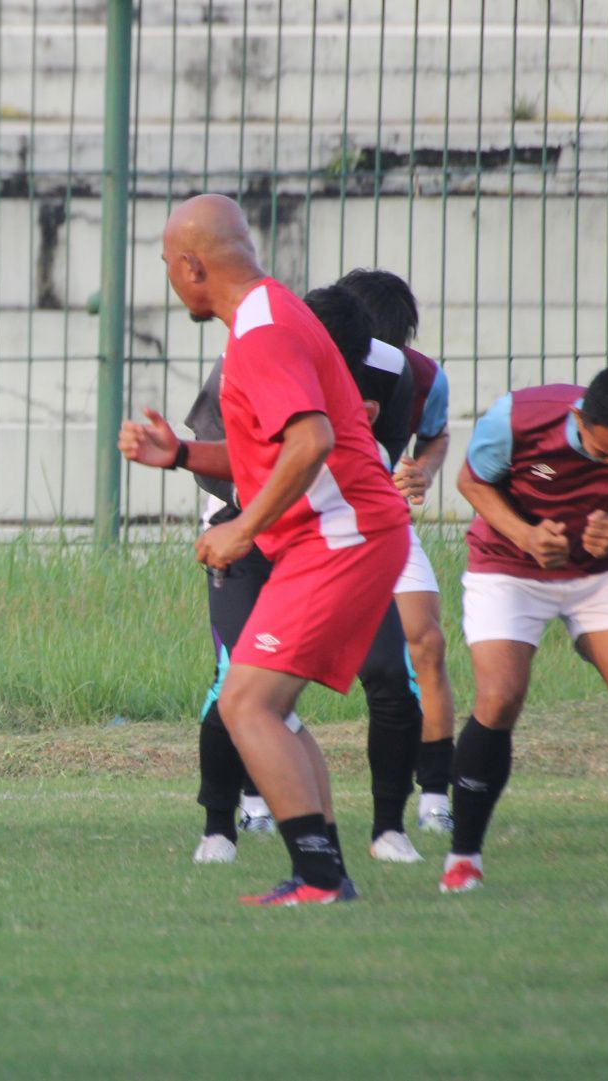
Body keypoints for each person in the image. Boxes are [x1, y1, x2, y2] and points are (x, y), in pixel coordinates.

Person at [120, 195, 411, 904]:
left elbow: (310, 443)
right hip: (332, 536)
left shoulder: (264, 330)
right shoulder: (269, 312)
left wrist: (240, 529)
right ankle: (324, 871)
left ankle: (320, 878)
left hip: (340, 537)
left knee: (246, 705)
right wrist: (184, 452)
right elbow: (277, 448)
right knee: (263, 705)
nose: (168, 276)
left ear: (192, 266)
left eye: (166, 264)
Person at [161, 285, 427, 868]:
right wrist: (185, 459)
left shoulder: (396, 373)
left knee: (382, 672)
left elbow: (353, 458)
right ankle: (225, 827)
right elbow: (239, 458)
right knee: (242, 690)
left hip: (340, 536)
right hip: (250, 522)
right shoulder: (248, 354)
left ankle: (382, 831)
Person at [443, 364, 608, 891]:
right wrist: (526, 536)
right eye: (601, 454)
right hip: (507, 567)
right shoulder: (517, 419)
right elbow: (471, 481)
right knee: (500, 696)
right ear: (578, 417)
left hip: (601, 573)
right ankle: (463, 860)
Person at [336, 268, 458, 833]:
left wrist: (423, 472)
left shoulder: (423, 378)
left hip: (382, 522)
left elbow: (435, 437)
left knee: (425, 642)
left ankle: (435, 793)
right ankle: (252, 799)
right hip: (309, 524)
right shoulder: (306, 362)